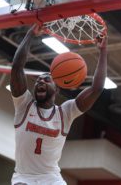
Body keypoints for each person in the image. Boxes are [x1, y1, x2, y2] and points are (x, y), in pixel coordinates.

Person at [10, 24, 107, 185]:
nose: (40, 81)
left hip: (50, 178)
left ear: (57, 88)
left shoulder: (66, 113)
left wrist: (103, 51)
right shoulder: (24, 104)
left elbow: (97, 89)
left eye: (46, 79)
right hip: (24, 177)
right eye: (38, 80)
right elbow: (17, 68)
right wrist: (30, 34)